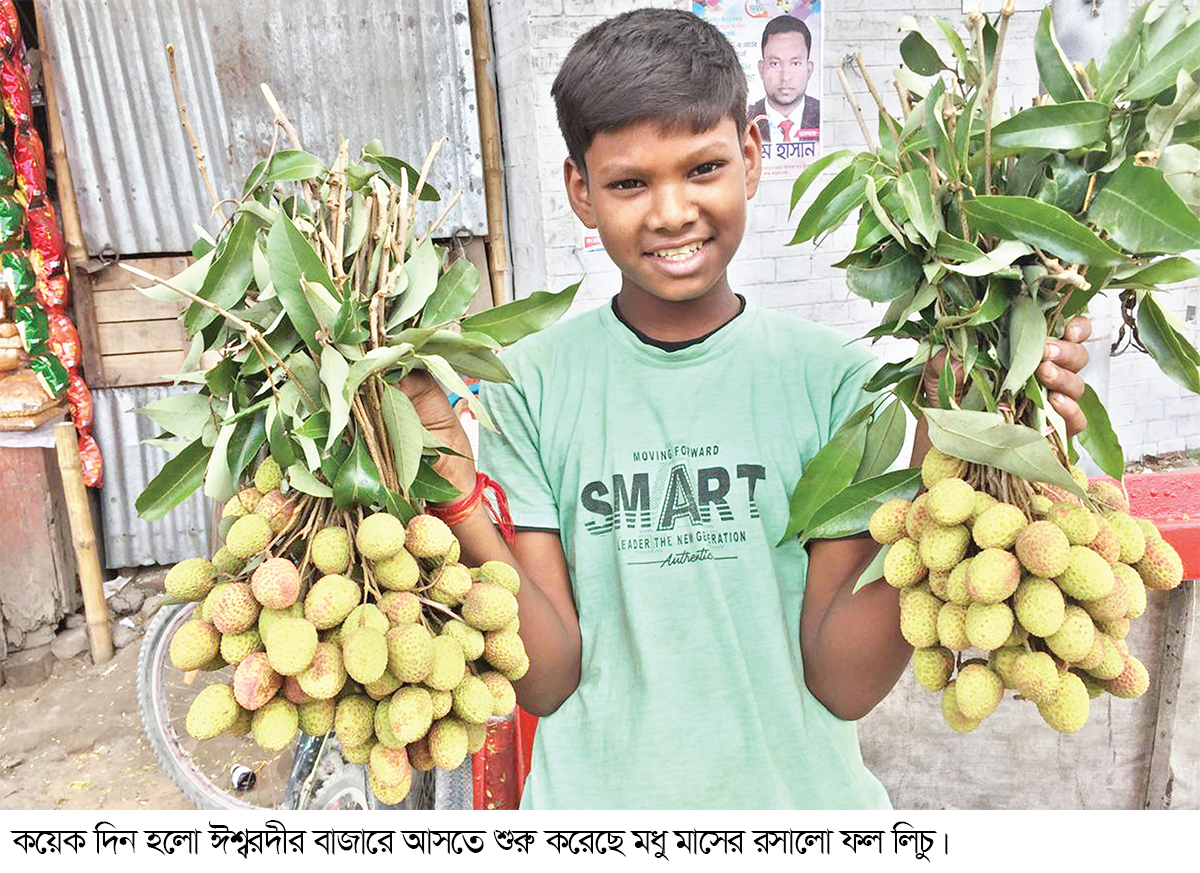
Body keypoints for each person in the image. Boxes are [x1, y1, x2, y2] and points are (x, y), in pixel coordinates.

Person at [399, 8, 1092, 809]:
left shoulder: (837, 383)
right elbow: (547, 681)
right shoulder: (527, 385)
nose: (670, 211)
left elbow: (842, 683)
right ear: (581, 193)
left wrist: (950, 443)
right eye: (629, 182)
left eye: (701, 168)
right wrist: (453, 499)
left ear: (751, 156)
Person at [747, 15, 820, 143]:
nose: (785, 77)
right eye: (775, 64)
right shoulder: (744, 119)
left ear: (809, 69)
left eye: (795, 63)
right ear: (761, 69)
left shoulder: (823, 115)